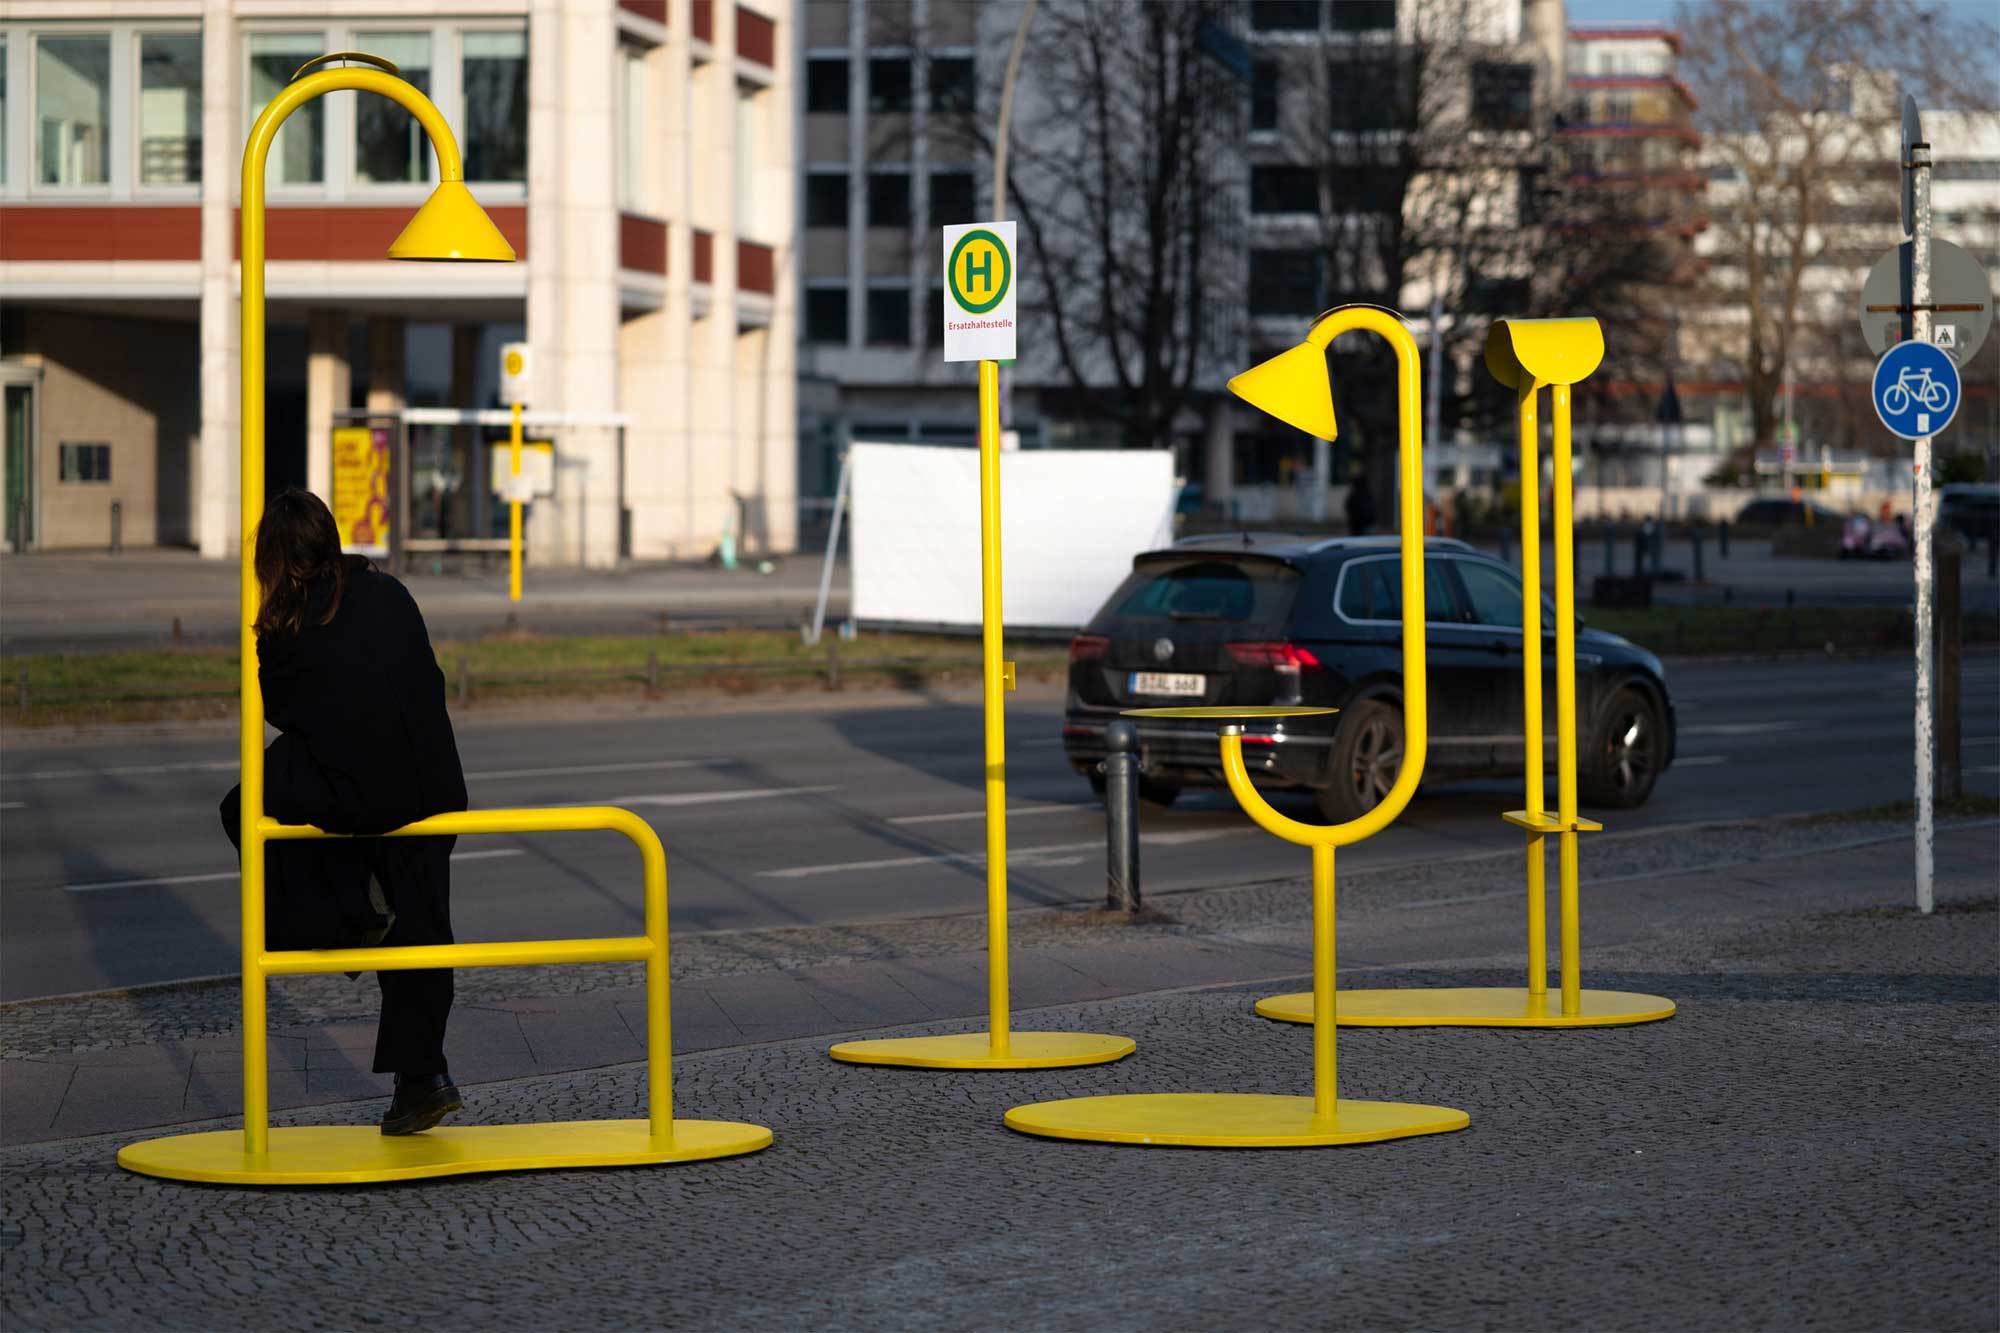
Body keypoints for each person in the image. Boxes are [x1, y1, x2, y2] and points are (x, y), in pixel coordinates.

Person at [219, 489, 469, 1136]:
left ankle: (348, 916)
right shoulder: (389, 590)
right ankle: (424, 1078)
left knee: (245, 806)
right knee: (422, 923)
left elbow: (282, 712)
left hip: (364, 791)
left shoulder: (289, 622)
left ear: (273, 560)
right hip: (435, 784)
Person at [1345, 472, 1377, 536]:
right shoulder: (1366, 494)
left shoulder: (1356, 495)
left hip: (1359, 526)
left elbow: (1348, 506)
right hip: (1362, 525)